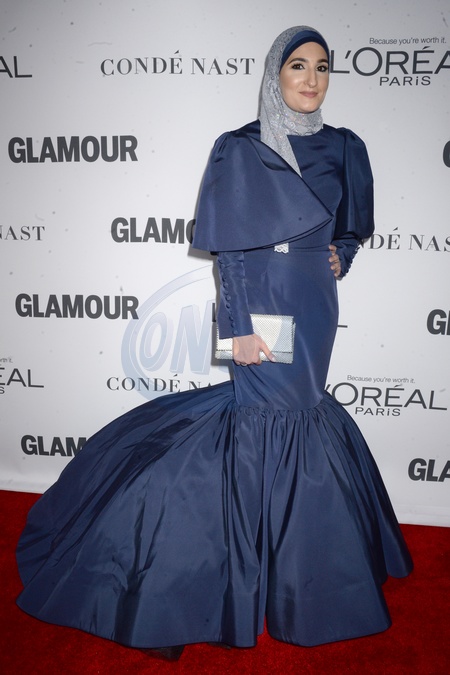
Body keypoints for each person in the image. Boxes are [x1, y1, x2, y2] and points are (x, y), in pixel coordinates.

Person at [16, 26, 412, 660]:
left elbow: (352, 225)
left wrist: (343, 252)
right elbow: (227, 252)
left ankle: (295, 569)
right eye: (298, 66)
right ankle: (247, 574)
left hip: (314, 302)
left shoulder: (346, 146)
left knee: (302, 414)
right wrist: (237, 328)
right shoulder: (240, 147)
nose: (311, 79)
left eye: (322, 67)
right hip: (257, 301)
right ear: (275, 74)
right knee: (263, 419)